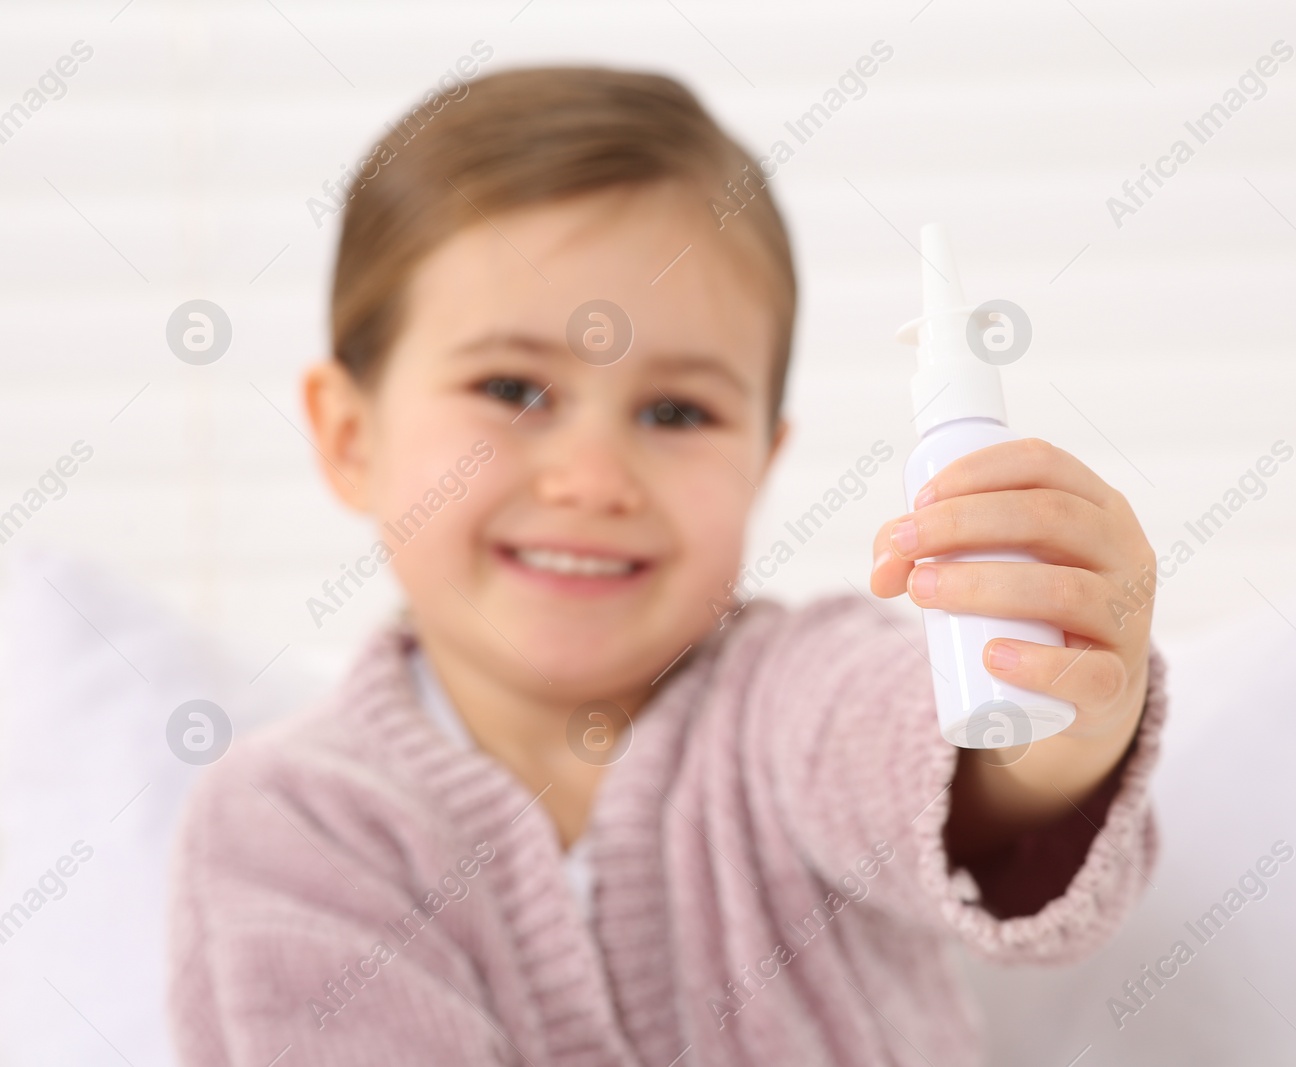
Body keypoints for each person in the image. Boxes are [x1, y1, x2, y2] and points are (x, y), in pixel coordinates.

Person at [167, 66, 1166, 1066]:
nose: (596, 478)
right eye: (513, 388)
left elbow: (943, 774)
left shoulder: (792, 699)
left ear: (761, 462)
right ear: (349, 437)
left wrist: (1053, 717)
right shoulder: (292, 824)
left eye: (676, 412)